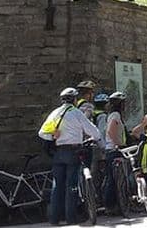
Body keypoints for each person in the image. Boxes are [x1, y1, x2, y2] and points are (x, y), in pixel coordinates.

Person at [38, 87, 101, 225]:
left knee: (57, 186)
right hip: (73, 152)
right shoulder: (76, 112)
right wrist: (96, 137)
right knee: (71, 185)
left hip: (58, 153)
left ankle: (54, 219)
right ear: (74, 99)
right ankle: (70, 218)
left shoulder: (55, 113)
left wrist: (54, 134)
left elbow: (42, 133)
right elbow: (94, 132)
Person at [103, 91, 127, 215]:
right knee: (113, 180)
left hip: (110, 150)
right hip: (114, 150)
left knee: (112, 179)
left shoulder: (112, 114)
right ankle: (110, 205)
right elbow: (111, 131)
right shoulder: (115, 115)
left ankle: (113, 205)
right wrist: (119, 143)